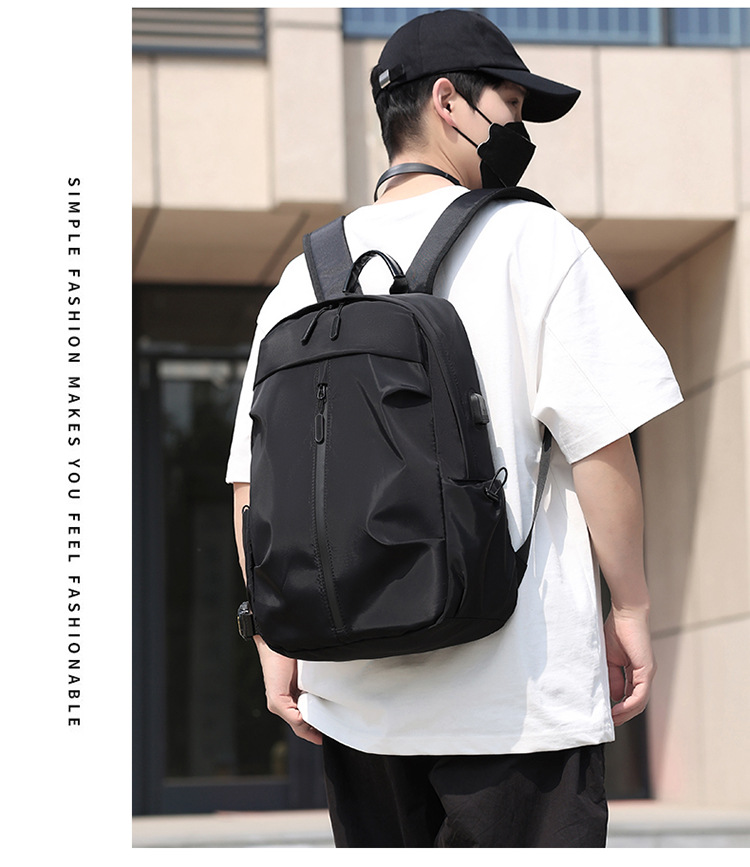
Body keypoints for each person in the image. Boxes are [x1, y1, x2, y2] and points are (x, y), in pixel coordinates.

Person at [226, 9, 682, 848]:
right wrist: (631, 606)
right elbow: (601, 442)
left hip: (357, 706)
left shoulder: (301, 278)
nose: (519, 132)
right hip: (517, 701)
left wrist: (274, 641)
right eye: (511, 106)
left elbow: (256, 484)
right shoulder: (533, 239)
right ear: (448, 101)